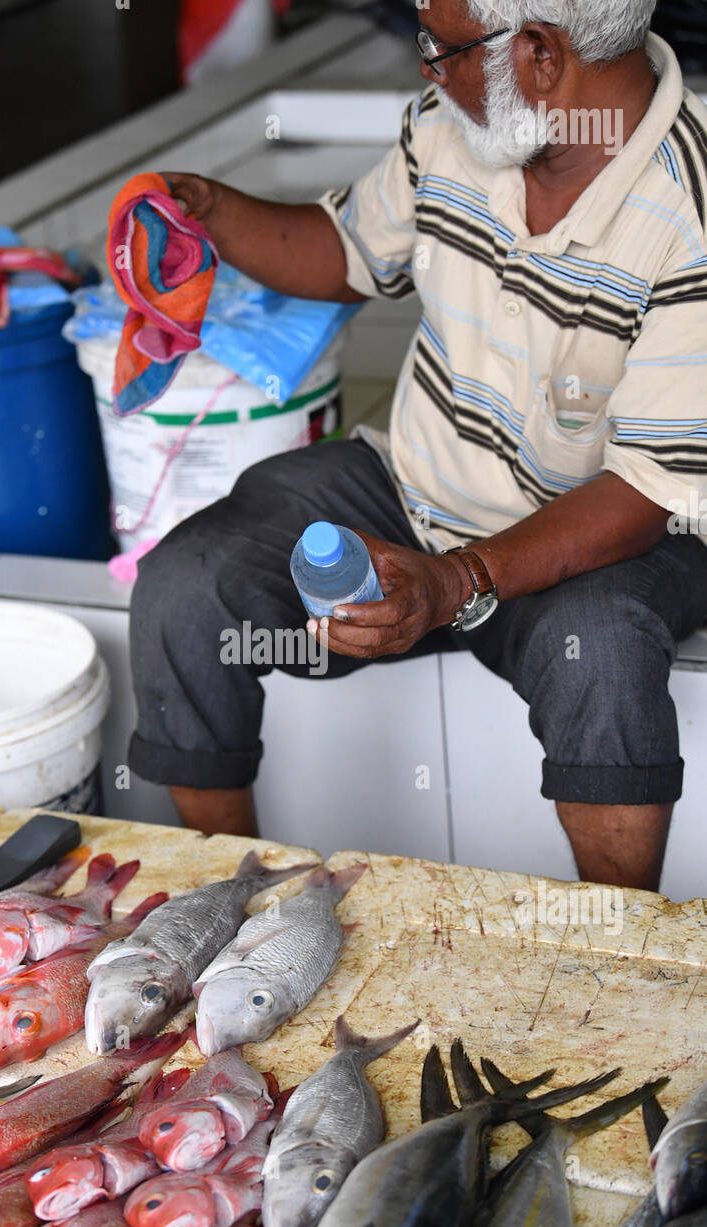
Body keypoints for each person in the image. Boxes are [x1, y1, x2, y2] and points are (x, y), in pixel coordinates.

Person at [128, 0, 707, 893]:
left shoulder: (691, 209)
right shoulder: (460, 125)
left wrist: (456, 580)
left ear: (542, 55)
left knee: (602, 648)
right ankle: (230, 907)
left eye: (442, 46)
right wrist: (205, 209)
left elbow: (642, 491)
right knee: (190, 581)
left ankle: (609, 952)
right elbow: (346, 251)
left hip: (609, 533)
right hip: (417, 488)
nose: (428, 67)